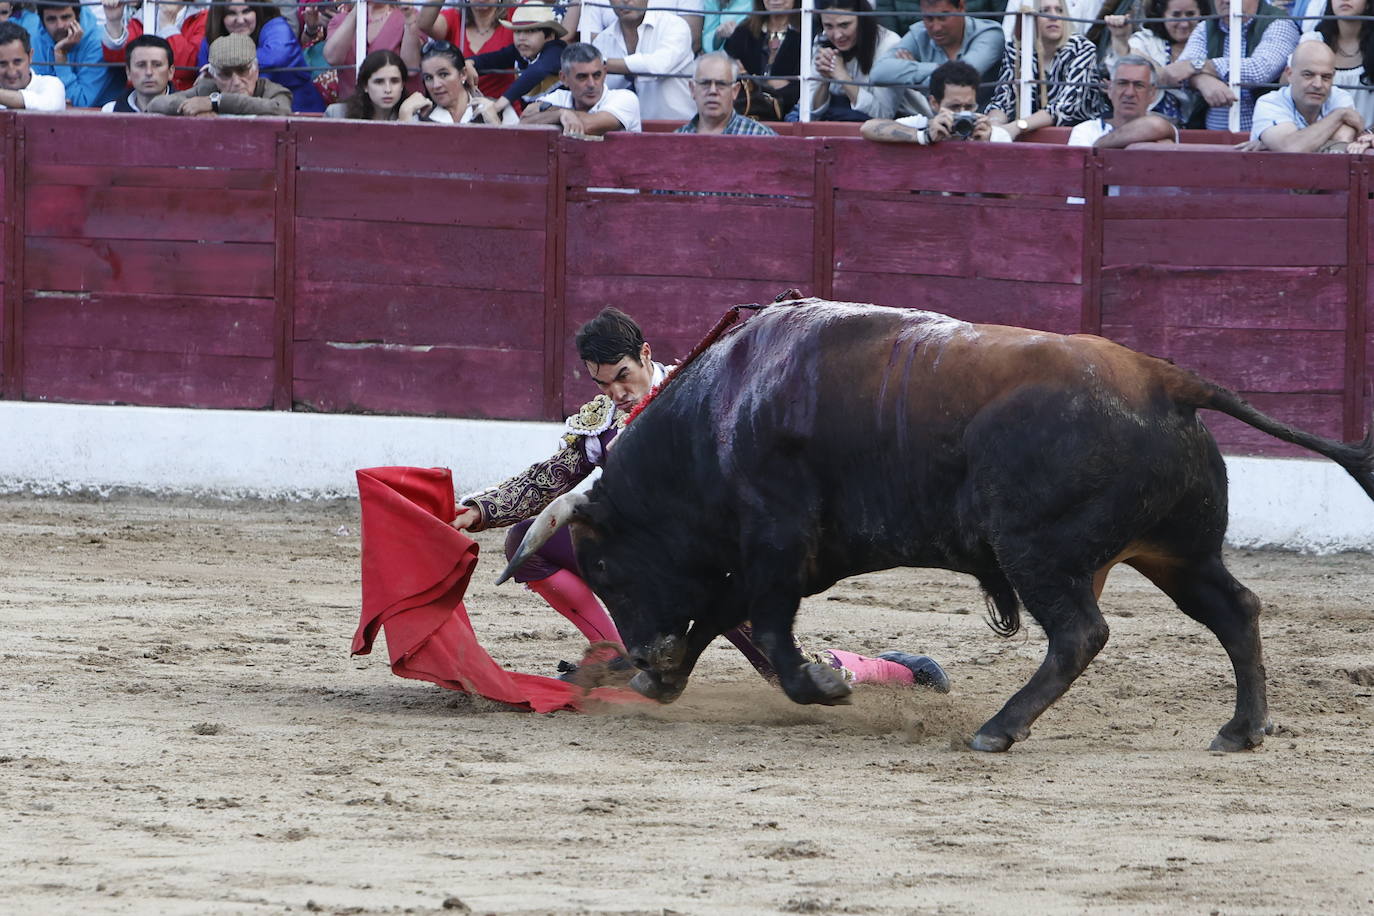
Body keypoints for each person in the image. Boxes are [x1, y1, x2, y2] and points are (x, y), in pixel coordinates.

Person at [455, 307, 952, 693]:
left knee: (786, 672)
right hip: (646, 558)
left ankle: (895, 670)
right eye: (603, 383)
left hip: (712, 562)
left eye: (623, 375)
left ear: (646, 355)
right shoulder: (603, 421)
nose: (617, 392)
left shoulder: (700, 399)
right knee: (530, 542)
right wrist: (481, 508)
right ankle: (614, 654)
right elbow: (553, 476)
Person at [1163, 0, 1300, 131]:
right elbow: (1179, 71)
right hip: (1210, 137)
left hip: (1262, 138)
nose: (1227, 1)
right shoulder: (1206, 26)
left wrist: (1196, 66)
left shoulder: (1279, 23)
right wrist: (1203, 81)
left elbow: (1259, 70)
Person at [986, 0, 1105, 139]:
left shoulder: (1082, 48)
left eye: (1059, 10)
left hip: (1078, 136)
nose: (1053, 16)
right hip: (1028, 133)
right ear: (1032, 18)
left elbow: (1066, 107)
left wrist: (1017, 126)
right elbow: (1002, 100)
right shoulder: (1017, 50)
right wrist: (994, 127)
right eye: (1044, 11)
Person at [869, 0, 1004, 115]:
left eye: (943, 18)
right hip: (936, 127)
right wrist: (936, 69)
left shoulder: (989, 34)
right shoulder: (919, 32)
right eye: (929, 18)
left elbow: (961, 80)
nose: (936, 27)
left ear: (961, 7)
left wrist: (913, 78)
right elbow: (878, 72)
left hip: (984, 125)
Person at [198, 1, 325, 112]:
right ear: (219, 16)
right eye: (231, 13)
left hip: (295, 112)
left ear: (257, 10)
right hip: (232, 114)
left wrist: (222, 64)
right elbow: (205, 82)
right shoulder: (212, 39)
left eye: (246, 11)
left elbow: (277, 56)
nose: (241, 20)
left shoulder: (276, 26)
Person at [1103, 0, 1210, 125]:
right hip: (1144, 126)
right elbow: (1122, 64)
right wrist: (1120, 39)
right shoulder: (1145, 41)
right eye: (1176, 15)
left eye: (1191, 14)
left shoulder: (1211, 43)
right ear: (1162, 15)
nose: (1184, 24)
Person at [1251, 39, 1370, 150]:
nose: (1318, 84)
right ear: (1289, 74)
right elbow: (1291, 147)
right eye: (1308, 75)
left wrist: (1277, 144)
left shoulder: (1339, 97)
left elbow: (1342, 140)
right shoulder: (1269, 103)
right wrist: (1339, 115)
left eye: (1326, 77)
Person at [860, 58, 1011, 140]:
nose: (962, 113)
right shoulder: (923, 125)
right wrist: (924, 136)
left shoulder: (995, 135)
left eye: (969, 107)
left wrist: (987, 148)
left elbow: (1012, 195)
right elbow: (868, 128)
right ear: (934, 103)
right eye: (954, 107)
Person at [593, 0, 695, 120]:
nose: (625, 0)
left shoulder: (674, 26)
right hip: (621, 131)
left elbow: (658, 65)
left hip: (679, 129)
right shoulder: (602, 41)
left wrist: (600, 64)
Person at [147, 32, 292, 115]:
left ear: (256, 69)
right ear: (213, 75)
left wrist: (215, 103)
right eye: (225, 74)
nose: (236, 81)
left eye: (242, 70)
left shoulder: (274, 91)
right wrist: (195, 109)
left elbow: (281, 109)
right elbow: (156, 103)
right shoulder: (206, 89)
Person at [463, 3, 567, 117]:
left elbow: (538, 70)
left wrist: (497, 106)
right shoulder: (518, 51)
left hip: (561, 119)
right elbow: (492, 58)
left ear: (550, 36)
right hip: (531, 120)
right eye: (517, 31)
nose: (521, 37)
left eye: (530, 31)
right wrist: (469, 63)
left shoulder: (557, 50)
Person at [520, 41, 642, 135]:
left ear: (605, 72)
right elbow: (524, 122)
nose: (591, 84)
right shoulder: (559, 96)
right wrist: (561, 114)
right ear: (564, 78)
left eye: (597, 75)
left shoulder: (625, 98)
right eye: (582, 77)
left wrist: (560, 114)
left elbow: (588, 126)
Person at [809, 0, 902, 120]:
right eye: (828, 26)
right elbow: (811, 113)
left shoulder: (889, 44)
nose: (837, 35)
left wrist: (843, 77)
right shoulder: (822, 40)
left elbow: (883, 114)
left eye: (844, 25)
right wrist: (824, 80)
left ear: (862, 19)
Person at [322, 0, 422, 101]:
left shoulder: (408, 15)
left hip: (400, 107)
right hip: (353, 108)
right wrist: (357, 10)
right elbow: (332, 58)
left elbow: (411, 68)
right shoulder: (341, 20)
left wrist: (409, 19)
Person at [1067, 54, 1178, 145]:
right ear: (1110, 89)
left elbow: (1156, 126)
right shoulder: (1086, 131)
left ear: (1152, 93)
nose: (1129, 93)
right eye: (1122, 83)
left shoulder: (1166, 129)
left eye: (1139, 85)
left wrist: (1099, 145)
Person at [417, 0, 515, 101]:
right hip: (461, 109)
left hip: (504, 106)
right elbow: (424, 24)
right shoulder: (454, 17)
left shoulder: (514, 16)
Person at [100, 0, 207, 92]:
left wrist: (167, 25)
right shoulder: (143, 15)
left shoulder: (202, 17)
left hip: (181, 103)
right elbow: (118, 59)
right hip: (139, 98)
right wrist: (114, 22)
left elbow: (188, 68)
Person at [401, 39, 517, 123]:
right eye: (428, 78)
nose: (436, 85)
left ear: (463, 74)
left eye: (443, 74)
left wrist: (495, 123)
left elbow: (517, 154)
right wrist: (404, 117)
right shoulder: (418, 117)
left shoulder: (498, 109)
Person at [30, 1, 121, 107]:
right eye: (51, 19)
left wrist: (61, 60)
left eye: (65, 17)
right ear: (42, 22)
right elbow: (35, 92)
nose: (60, 25)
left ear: (78, 16)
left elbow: (81, 103)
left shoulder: (98, 42)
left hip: (101, 117)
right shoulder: (37, 38)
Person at [1305, 0, 1374, 129]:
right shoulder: (1313, 40)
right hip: (1318, 139)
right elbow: (1290, 88)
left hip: (1367, 141)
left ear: (1369, 3)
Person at [675, 49, 777, 132]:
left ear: (735, 91)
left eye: (721, 84)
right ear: (692, 89)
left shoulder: (760, 136)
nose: (713, 91)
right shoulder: (676, 141)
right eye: (705, 83)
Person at [325, 48, 408, 119]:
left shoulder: (411, 115)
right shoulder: (336, 114)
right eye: (379, 82)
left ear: (402, 85)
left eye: (394, 81)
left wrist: (405, 118)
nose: (388, 89)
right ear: (365, 86)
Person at [0, 18, 64, 109]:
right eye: (2, 64)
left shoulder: (51, 84)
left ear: (30, 56)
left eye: (17, 62)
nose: (11, 72)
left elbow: (48, 106)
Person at [101, 32, 174, 111]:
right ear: (128, 72)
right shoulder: (110, 111)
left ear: (171, 71)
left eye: (157, 65)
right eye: (141, 65)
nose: (149, 72)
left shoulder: (186, 112)